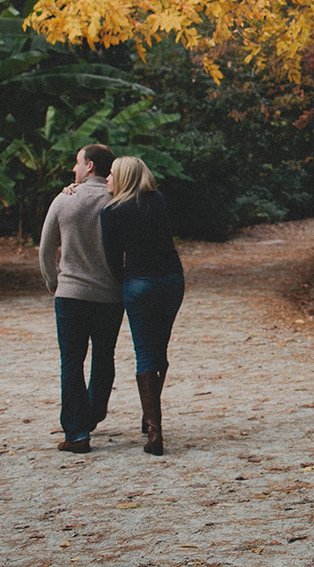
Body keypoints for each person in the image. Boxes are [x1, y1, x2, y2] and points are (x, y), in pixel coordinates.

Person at [38, 143, 122, 454]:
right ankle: (94, 412)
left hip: (71, 294)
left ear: (89, 167)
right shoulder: (118, 198)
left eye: (77, 162)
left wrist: (52, 281)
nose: (74, 169)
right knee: (104, 356)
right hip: (110, 294)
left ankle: (76, 433)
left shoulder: (64, 200)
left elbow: (46, 248)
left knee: (71, 361)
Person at [101, 156, 185, 456]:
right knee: (159, 349)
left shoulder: (111, 211)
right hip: (172, 280)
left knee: (144, 352)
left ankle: (154, 429)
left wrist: (122, 281)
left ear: (123, 177)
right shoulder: (158, 200)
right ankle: (151, 413)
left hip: (138, 282)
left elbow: (111, 257)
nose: (107, 179)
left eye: (111, 175)